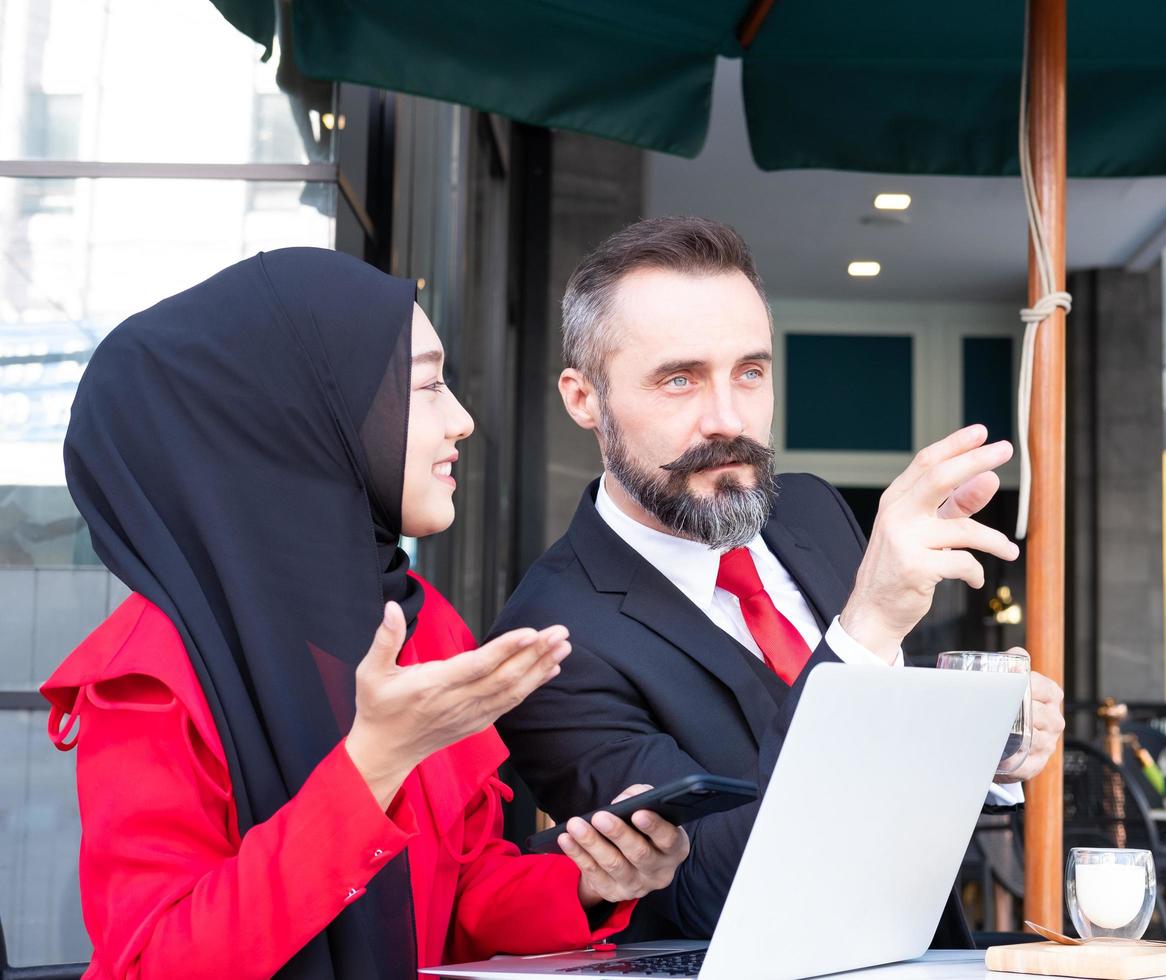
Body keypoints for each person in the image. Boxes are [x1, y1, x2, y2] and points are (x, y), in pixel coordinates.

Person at [40, 248, 688, 980]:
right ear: (301, 417)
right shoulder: (153, 671)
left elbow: (458, 898)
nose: (463, 420)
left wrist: (591, 881)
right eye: (427, 385)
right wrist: (374, 764)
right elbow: (156, 965)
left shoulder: (423, 623)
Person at [492, 217, 1066, 944]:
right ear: (584, 400)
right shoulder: (547, 637)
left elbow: (879, 775)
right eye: (679, 379)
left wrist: (984, 753)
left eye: (750, 372)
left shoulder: (812, 509)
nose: (728, 419)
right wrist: (868, 627)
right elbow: (702, 891)